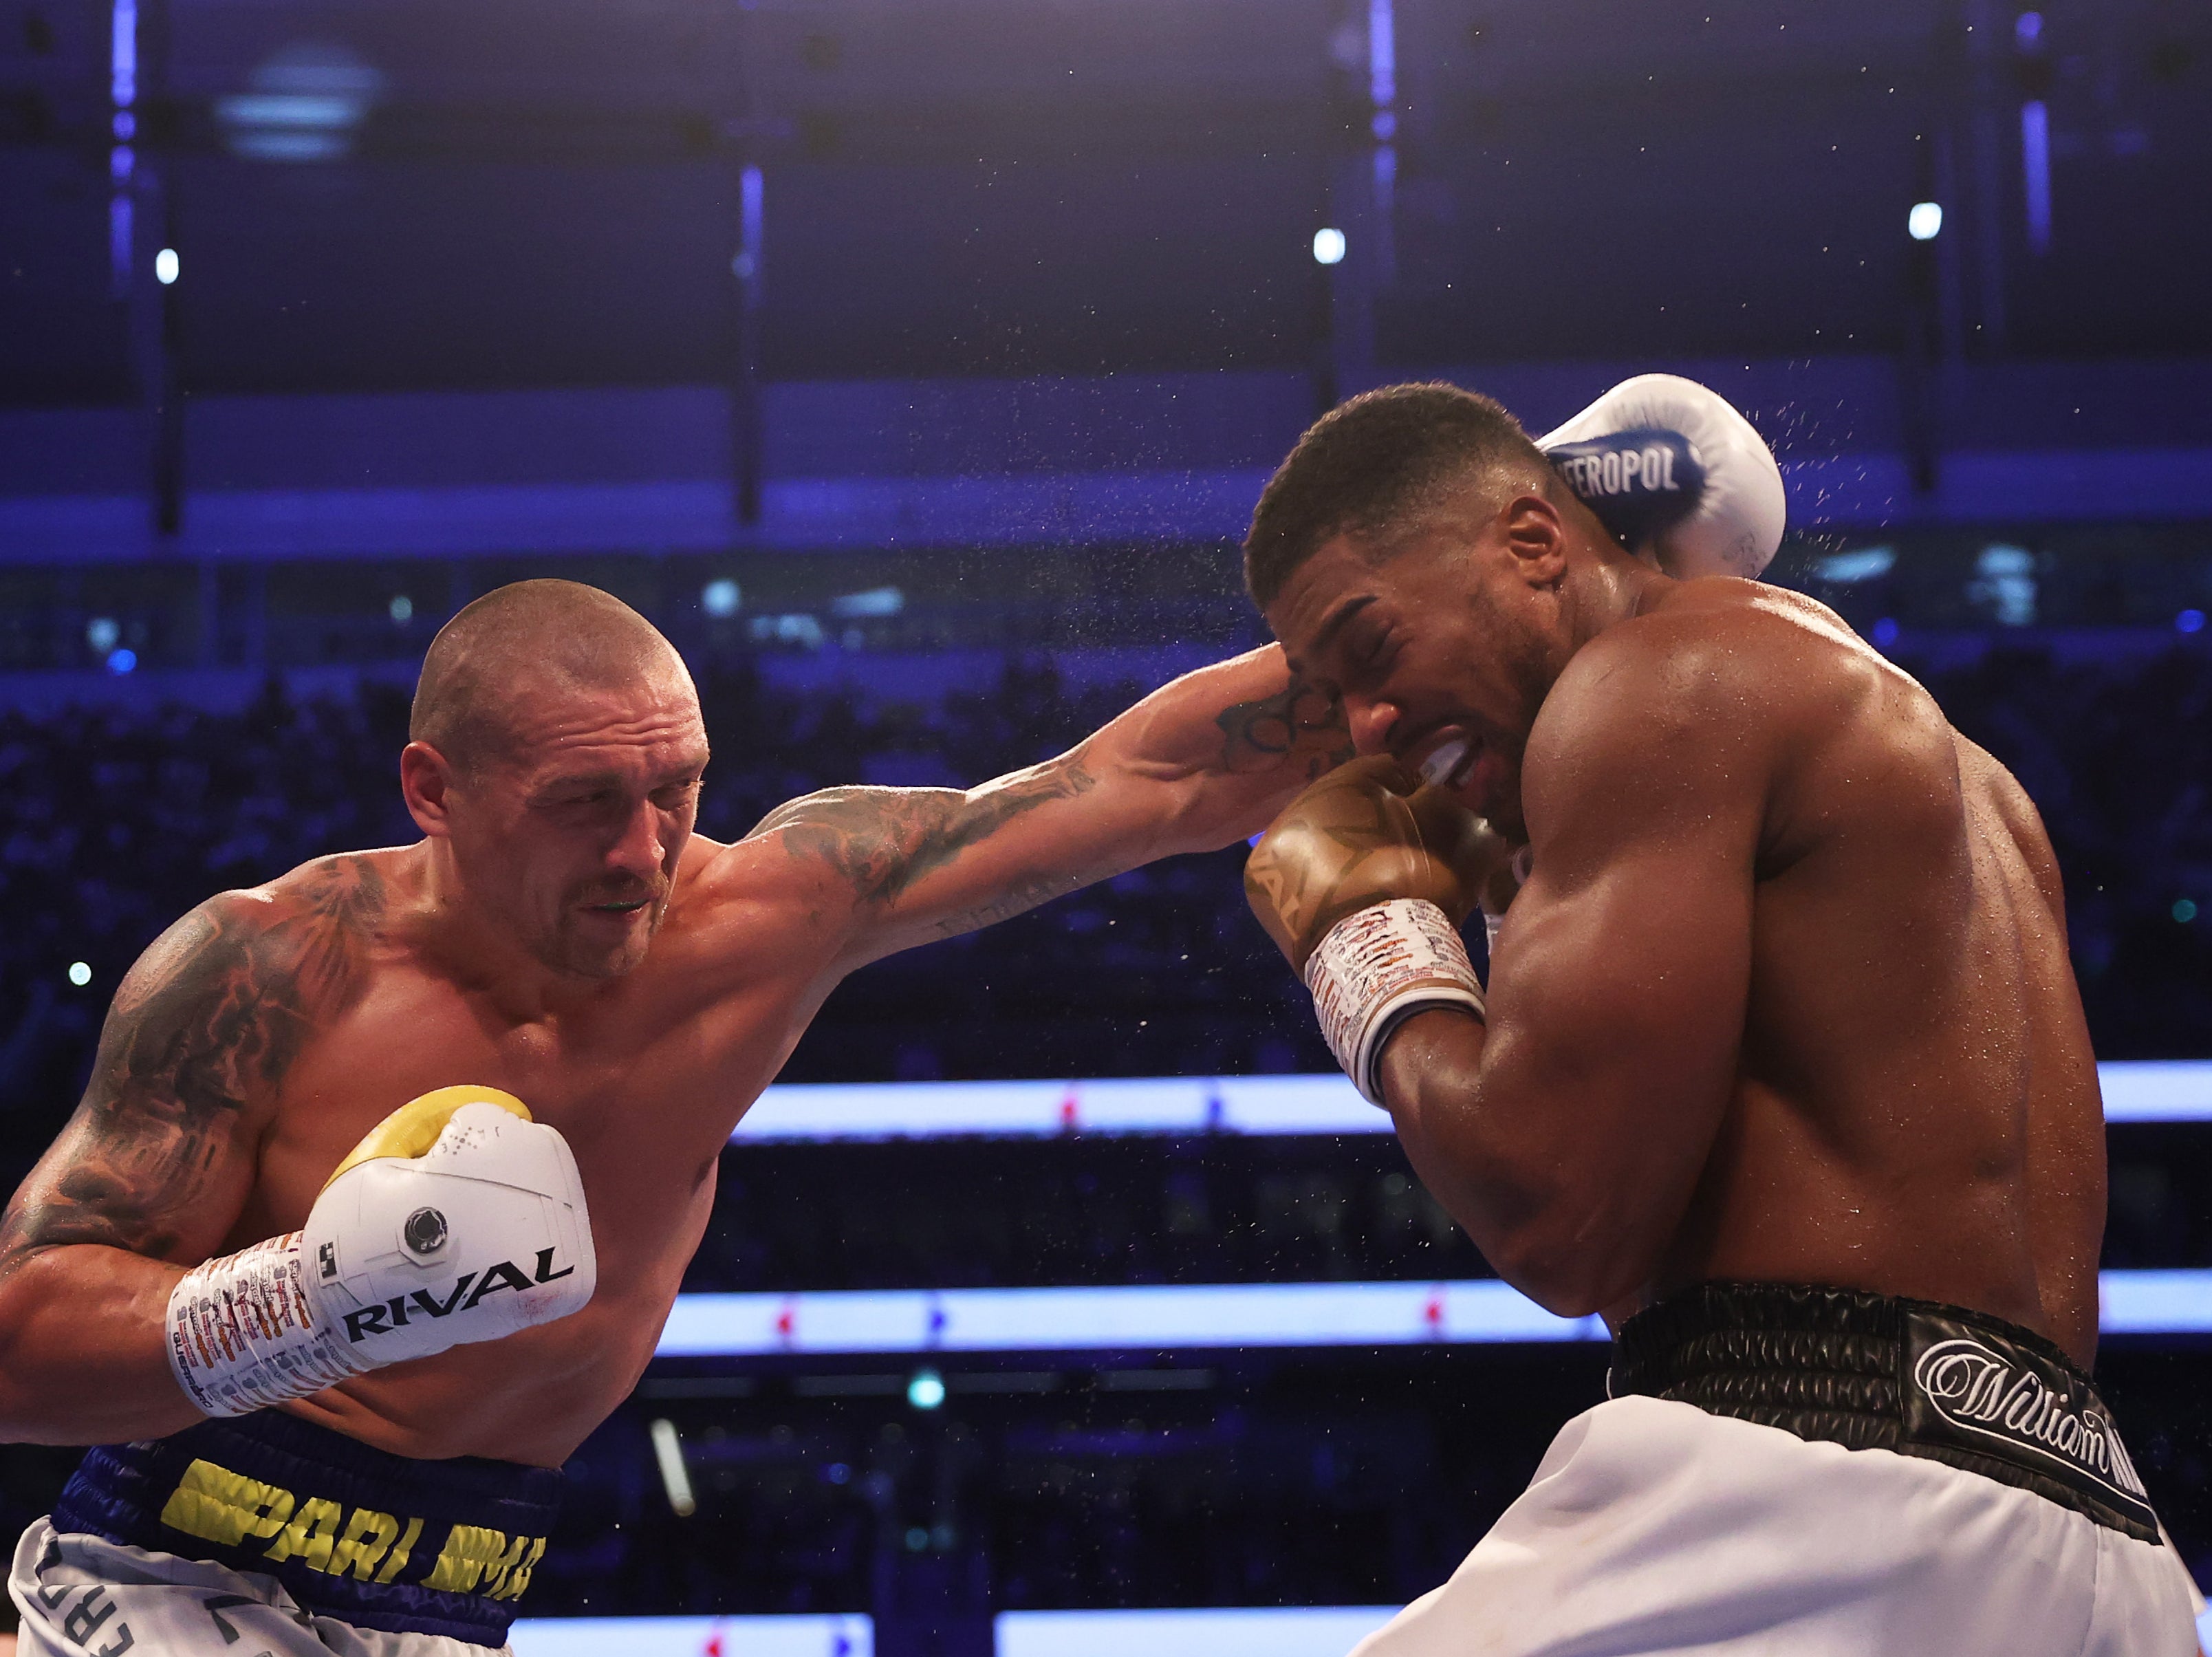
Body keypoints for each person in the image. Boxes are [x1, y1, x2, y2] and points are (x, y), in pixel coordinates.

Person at [0, 578, 1349, 1656]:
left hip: (458, 1596)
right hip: (171, 1566)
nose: (644, 854)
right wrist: (312, 1295)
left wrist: (1492, 561)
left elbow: (1144, 781)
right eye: (585, 803)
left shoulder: (771, 917)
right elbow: (19, 1346)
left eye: (676, 790)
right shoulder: (266, 969)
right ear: (432, 789)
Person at [1239, 380, 2206, 1653]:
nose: (1365, 725)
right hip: (2107, 1551)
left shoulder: (1653, 682)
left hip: (1812, 1493)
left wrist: (1365, 944)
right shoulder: (1971, 783)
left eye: (1372, 650)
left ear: (1534, 544)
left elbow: (1560, 1214)